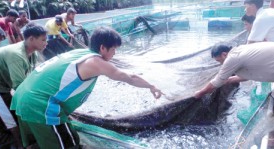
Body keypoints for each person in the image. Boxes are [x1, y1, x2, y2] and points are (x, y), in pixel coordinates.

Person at [10, 26, 162, 148]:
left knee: (38, 142)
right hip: (39, 105)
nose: (115, 53)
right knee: (66, 144)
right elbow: (128, 77)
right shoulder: (96, 63)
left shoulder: (79, 53)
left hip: (23, 97)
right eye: (114, 49)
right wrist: (151, 86)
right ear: (103, 48)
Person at [193, 42, 274, 147]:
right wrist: (232, 79)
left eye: (219, 61)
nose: (220, 64)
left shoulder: (233, 57)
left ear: (223, 54)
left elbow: (218, 81)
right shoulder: (241, 50)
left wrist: (200, 92)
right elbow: (255, 71)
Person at [0, 23, 47, 148]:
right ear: (31, 39)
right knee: (10, 119)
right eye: (43, 40)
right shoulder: (17, 55)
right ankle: (20, 144)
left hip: (3, 84)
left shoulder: (33, 53)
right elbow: (20, 87)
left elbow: (31, 77)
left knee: (17, 111)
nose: (46, 43)